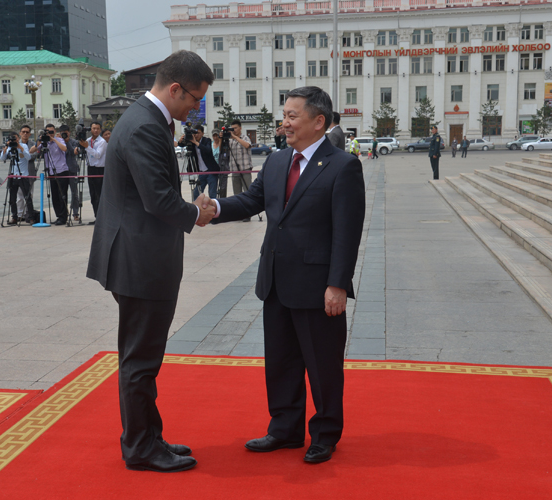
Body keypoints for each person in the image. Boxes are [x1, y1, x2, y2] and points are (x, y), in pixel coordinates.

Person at [204, 86, 365, 464]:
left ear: (318, 121)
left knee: (322, 365)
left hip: (317, 286)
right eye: (285, 115)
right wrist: (212, 207)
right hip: (275, 279)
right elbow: (251, 200)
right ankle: (284, 429)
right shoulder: (278, 161)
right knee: (280, 361)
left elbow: (347, 231)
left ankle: (325, 433)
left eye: (293, 116)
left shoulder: (343, 165)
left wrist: (338, 284)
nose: (285, 122)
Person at [86, 50, 216, 473]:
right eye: (194, 99)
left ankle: (148, 436)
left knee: (142, 356)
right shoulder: (144, 125)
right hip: (139, 260)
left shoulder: (146, 117)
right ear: (174, 88)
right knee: (140, 360)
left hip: (137, 254)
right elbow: (157, 199)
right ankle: (141, 447)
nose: (195, 108)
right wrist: (197, 213)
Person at [0, 131, 36, 224]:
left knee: (27, 197)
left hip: (23, 175)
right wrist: (6, 147)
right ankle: (14, 217)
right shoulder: (9, 147)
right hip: (13, 175)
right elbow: (2, 158)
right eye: (12, 139)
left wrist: (19, 147)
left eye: (15, 139)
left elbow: (28, 157)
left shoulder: (23, 146)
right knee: (12, 199)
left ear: (18, 139)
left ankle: (31, 217)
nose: (14, 141)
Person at [38, 124, 70, 225]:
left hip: (61, 171)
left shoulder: (59, 140)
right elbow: (34, 150)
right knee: (54, 195)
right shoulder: (45, 142)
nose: (50, 134)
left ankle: (63, 217)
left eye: (52, 132)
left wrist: (54, 139)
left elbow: (64, 149)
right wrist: (40, 140)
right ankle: (58, 216)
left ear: (55, 131)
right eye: (48, 132)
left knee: (62, 195)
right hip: (51, 171)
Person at [79, 121, 107, 224]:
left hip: (99, 169)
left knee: (99, 195)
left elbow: (98, 155)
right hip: (90, 168)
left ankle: (102, 218)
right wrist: (81, 148)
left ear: (100, 130)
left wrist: (87, 147)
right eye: (94, 128)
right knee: (93, 195)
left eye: (98, 128)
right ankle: (97, 216)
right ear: (90, 129)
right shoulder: (88, 140)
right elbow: (85, 151)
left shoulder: (102, 142)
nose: (95, 130)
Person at [187, 125, 219, 200]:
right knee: (196, 193)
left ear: (202, 133)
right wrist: (183, 138)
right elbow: (181, 144)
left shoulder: (206, 140)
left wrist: (196, 142)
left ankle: (214, 210)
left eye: (198, 133)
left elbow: (207, 150)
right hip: (201, 172)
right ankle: (198, 209)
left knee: (212, 194)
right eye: (195, 133)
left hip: (211, 171)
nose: (196, 135)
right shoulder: (192, 142)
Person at [60, 125, 81, 221]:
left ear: (69, 132)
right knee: (62, 192)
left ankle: (75, 212)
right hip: (61, 170)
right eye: (62, 132)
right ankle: (63, 213)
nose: (64, 134)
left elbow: (73, 152)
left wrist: (67, 142)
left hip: (72, 169)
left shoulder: (74, 142)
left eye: (66, 132)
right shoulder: (58, 141)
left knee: (74, 192)